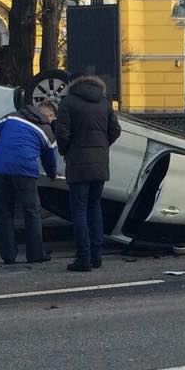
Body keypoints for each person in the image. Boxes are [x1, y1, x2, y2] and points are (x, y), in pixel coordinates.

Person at [56, 76, 121, 272]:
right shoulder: (104, 103)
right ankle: (97, 255)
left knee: (79, 211)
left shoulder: (67, 103)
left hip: (78, 164)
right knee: (95, 208)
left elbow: (62, 134)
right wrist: (102, 146)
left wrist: (66, 150)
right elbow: (115, 130)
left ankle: (83, 257)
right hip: (100, 163)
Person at [0, 101, 58, 265]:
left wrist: (4, 150)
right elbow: (49, 159)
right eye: (53, 118)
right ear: (48, 114)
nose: (52, 121)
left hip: (1, 168)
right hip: (25, 171)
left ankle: (8, 255)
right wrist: (52, 174)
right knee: (32, 211)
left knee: (4, 211)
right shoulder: (46, 130)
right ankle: (35, 254)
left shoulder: (11, 116)